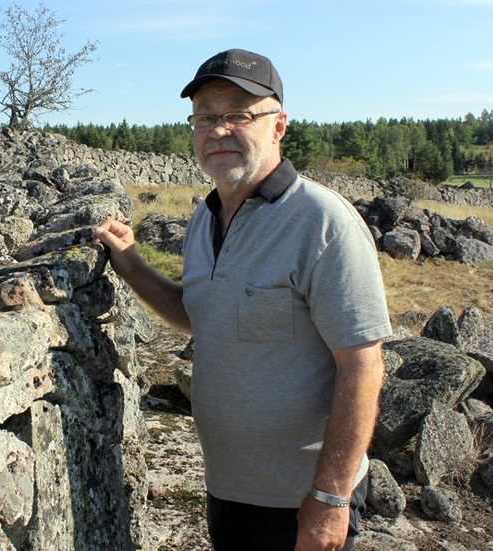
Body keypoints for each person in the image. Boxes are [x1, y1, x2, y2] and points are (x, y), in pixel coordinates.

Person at [93, 48, 392, 551]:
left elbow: (363, 365)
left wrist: (331, 498)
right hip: (227, 490)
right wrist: (132, 266)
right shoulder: (205, 219)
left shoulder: (322, 222)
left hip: (300, 502)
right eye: (206, 117)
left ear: (279, 125)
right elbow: (201, 317)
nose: (219, 129)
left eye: (239, 114)